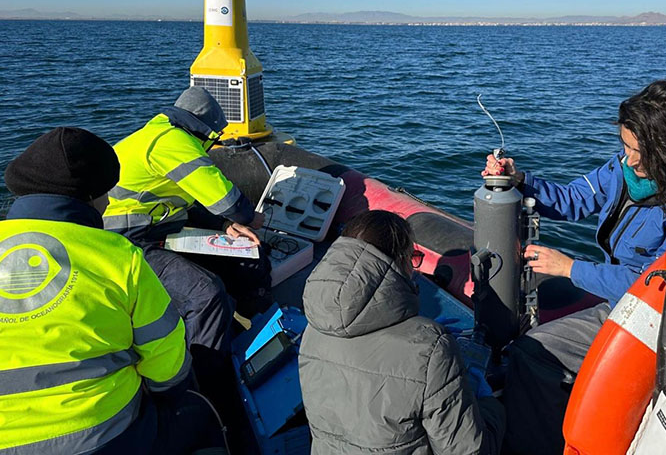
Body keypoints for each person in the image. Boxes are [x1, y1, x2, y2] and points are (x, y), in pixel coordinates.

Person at [484, 80, 666, 455]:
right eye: (626, 147)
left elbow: (654, 287)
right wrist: (521, 180)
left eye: (641, 152)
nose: (630, 161)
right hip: (626, 295)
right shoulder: (625, 170)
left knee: (532, 352)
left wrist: (570, 268)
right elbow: (573, 199)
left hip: (657, 316)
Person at [0, 127, 220, 454]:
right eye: (107, 192)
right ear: (91, 197)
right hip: (105, 439)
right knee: (203, 415)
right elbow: (168, 368)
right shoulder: (119, 257)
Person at [298, 210, 506, 454]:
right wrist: (490, 404)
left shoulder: (314, 327)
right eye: (412, 258)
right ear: (399, 262)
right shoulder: (431, 347)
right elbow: (468, 451)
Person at [103, 86, 270, 354]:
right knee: (206, 294)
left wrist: (224, 225)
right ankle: (209, 377)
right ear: (203, 130)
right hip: (124, 242)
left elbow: (186, 203)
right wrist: (250, 217)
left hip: (154, 230)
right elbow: (229, 202)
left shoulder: (156, 134)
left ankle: (251, 329)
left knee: (245, 258)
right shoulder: (174, 143)